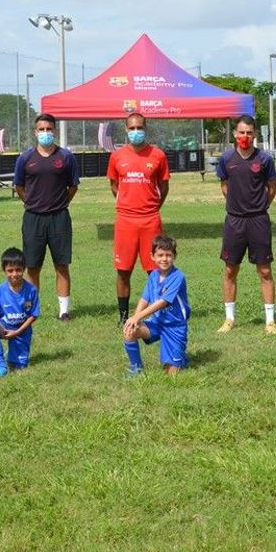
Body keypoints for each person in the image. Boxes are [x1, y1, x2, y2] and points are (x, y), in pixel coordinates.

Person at [14, 114, 80, 321]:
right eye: (41, 130)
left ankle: (64, 311)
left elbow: (73, 186)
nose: (45, 133)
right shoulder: (25, 159)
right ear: (35, 132)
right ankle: (32, 310)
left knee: (61, 265)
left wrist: (60, 204)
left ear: (54, 131)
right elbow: (19, 187)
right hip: (33, 218)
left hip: (59, 218)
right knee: (32, 266)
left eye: (48, 129)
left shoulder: (66, 157)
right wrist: (32, 203)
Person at [216, 115, 276, 334]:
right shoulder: (226, 159)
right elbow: (225, 186)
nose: (245, 136)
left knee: (264, 270)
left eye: (249, 132)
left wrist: (259, 206)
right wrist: (237, 205)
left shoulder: (265, 159)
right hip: (234, 221)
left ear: (254, 135)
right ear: (235, 134)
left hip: (259, 220)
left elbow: (271, 188)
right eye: (241, 132)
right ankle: (229, 319)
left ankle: (270, 321)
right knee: (230, 269)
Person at [107, 112, 170, 325]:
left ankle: (156, 315)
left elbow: (164, 186)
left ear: (146, 128)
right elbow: (114, 185)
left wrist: (150, 207)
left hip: (150, 220)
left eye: (139, 128)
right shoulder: (117, 156)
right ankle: (124, 316)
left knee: (156, 270)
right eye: (132, 128)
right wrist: (127, 202)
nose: (136, 132)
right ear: (126, 130)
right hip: (125, 221)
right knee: (123, 270)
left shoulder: (158, 155)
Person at [122, 235, 190, 375]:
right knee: (130, 331)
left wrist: (138, 316)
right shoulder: (153, 275)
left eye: (168, 255)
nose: (164, 259)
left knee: (171, 374)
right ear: (152, 256)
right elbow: (145, 298)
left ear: (174, 256)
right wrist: (135, 319)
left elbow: (163, 302)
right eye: (160, 255)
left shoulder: (178, 277)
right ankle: (136, 369)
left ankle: (179, 358)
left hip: (174, 327)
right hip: (157, 323)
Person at [0, 247, 40, 380]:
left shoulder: (31, 290)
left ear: (24, 269)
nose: (14, 274)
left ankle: (13, 354)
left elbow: (33, 315)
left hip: (22, 331)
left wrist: (18, 332)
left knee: (19, 366)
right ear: (4, 271)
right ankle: (1, 365)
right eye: (10, 270)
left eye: (18, 270)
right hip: (4, 327)